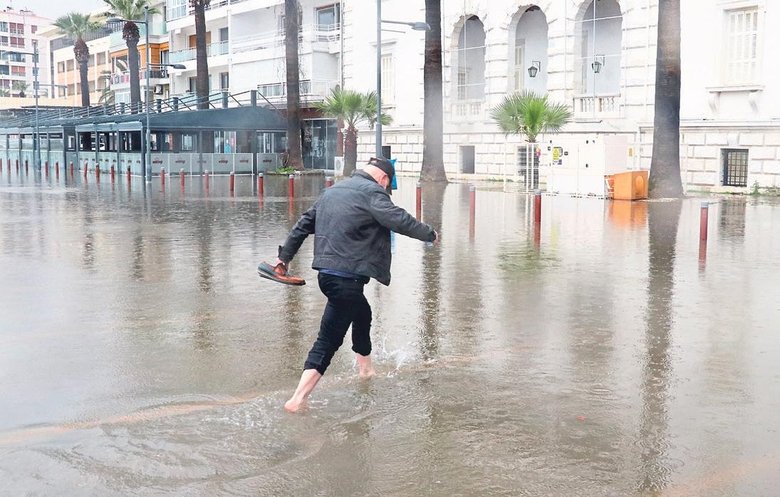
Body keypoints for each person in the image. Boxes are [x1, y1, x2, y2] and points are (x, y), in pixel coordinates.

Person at [272, 157, 438, 412]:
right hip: (346, 280)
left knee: (363, 314)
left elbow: (302, 225)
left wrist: (283, 259)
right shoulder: (372, 192)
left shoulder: (333, 191)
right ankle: (298, 399)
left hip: (327, 277)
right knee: (328, 340)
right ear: (383, 179)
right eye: (387, 186)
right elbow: (399, 220)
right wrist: (430, 234)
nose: (385, 190)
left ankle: (366, 370)